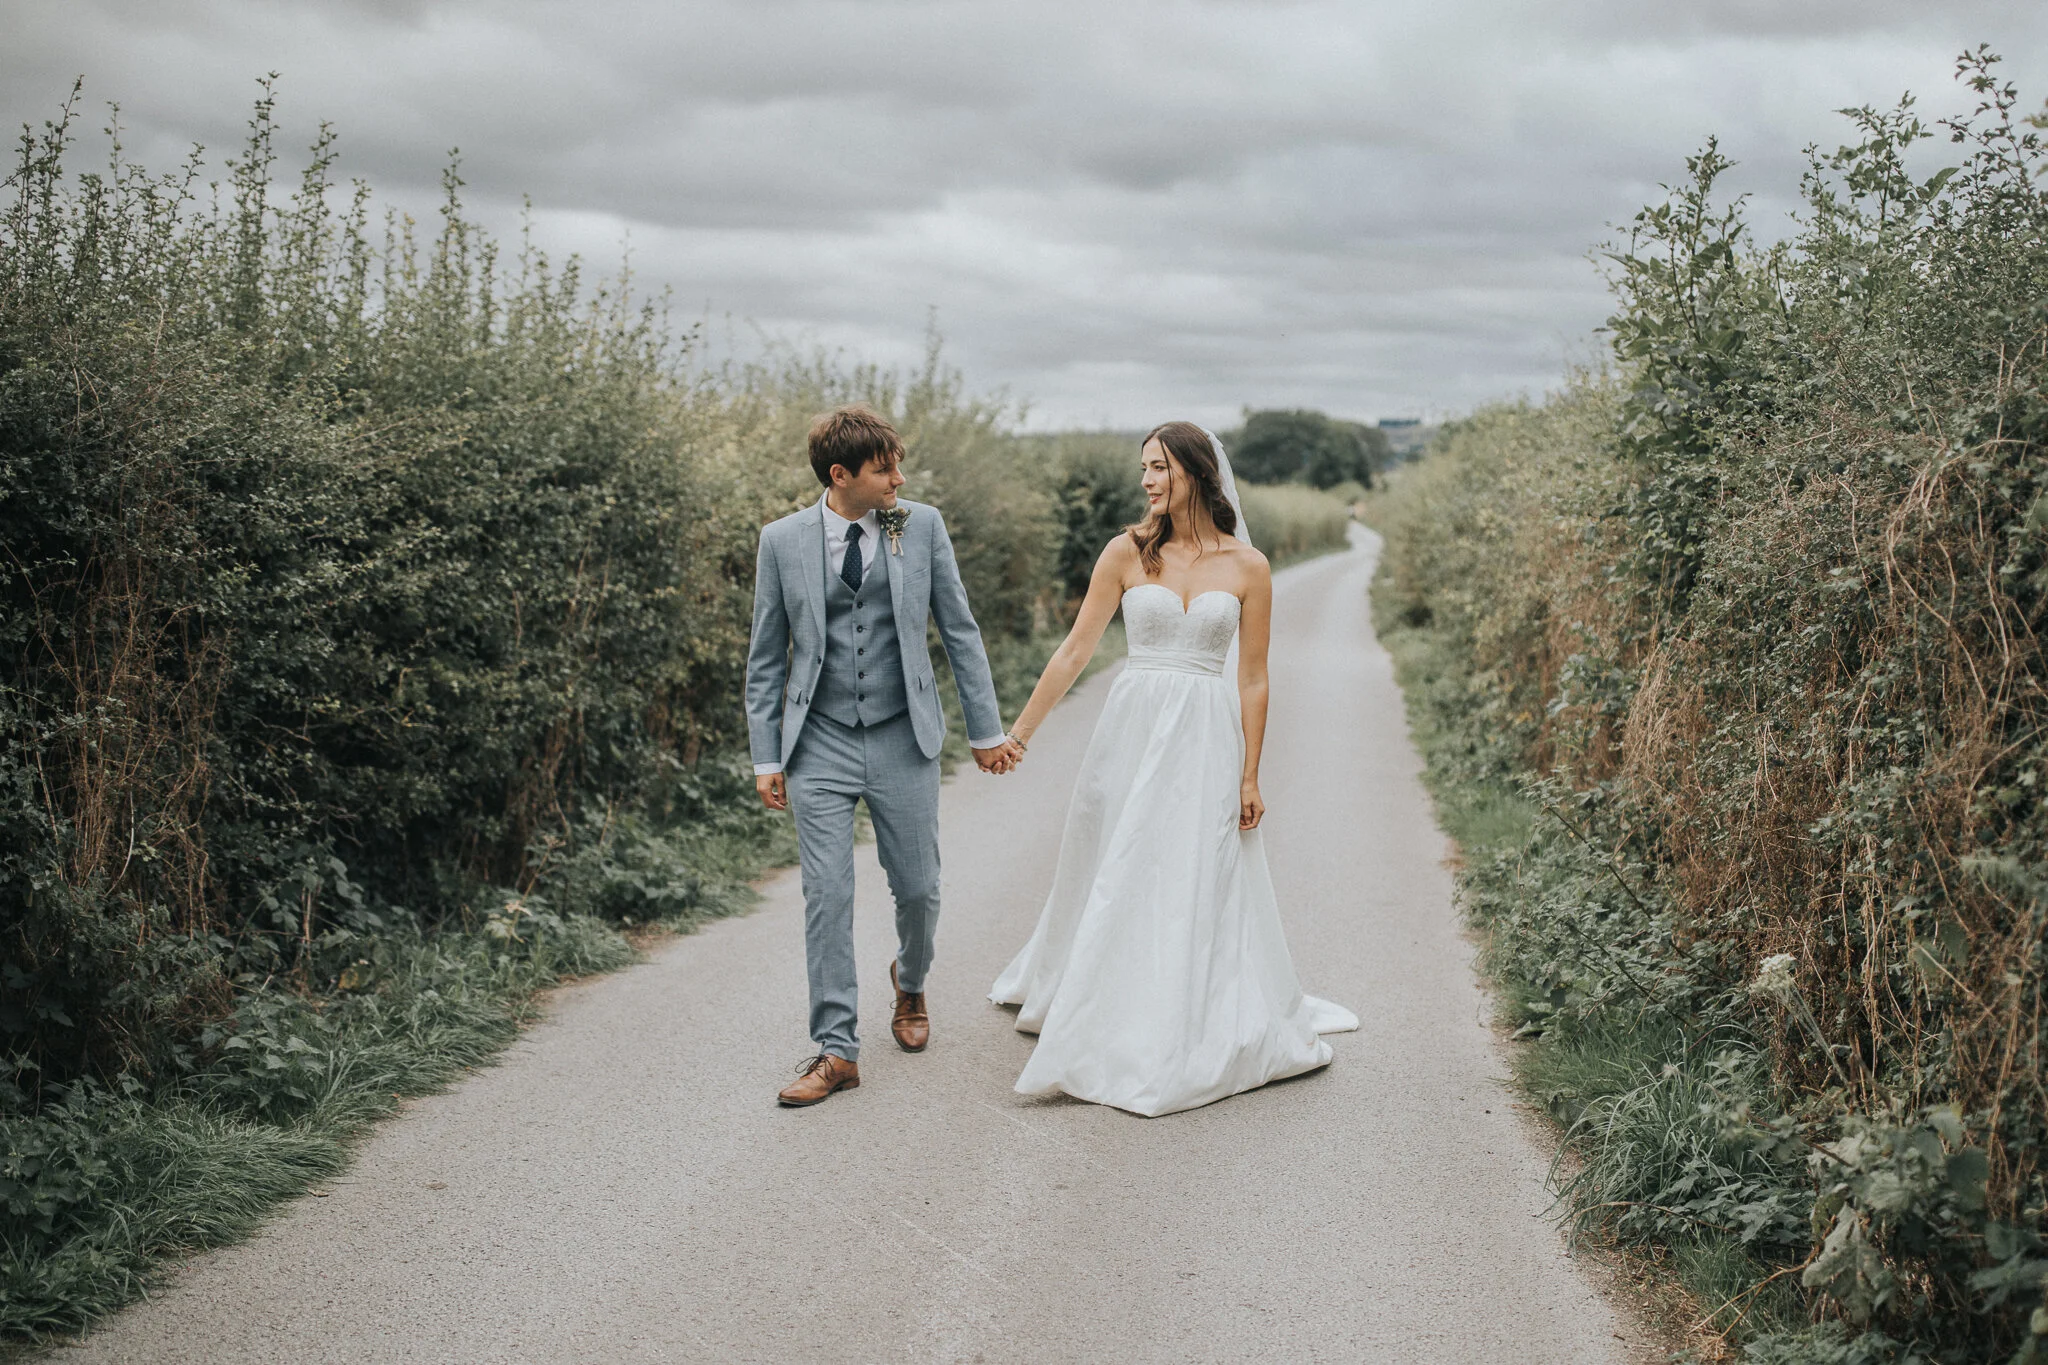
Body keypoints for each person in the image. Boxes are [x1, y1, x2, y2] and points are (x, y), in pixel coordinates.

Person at [989, 421, 1358, 1116]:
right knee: (1118, 860)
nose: (1148, 481)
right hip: (1130, 730)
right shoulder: (1124, 553)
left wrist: (1251, 773)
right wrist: (1021, 734)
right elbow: (1074, 651)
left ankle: (1181, 1006)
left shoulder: (1249, 566)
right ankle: (1101, 993)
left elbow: (1252, 679)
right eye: (1143, 470)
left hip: (1205, 736)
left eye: (1158, 467)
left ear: (1195, 470)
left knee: (1195, 864)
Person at [745, 405, 1022, 1107]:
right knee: (827, 895)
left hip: (905, 734)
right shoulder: (780, 542)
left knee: (920, 886)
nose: (900, 478)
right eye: (884, 468)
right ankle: (836, 1048)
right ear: (840, 476)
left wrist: (986, 731)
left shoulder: (919, 525)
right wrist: (765, 754)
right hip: (819, 742)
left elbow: (960, 630)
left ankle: (913, 979)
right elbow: (765, 657)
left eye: (899, 464)